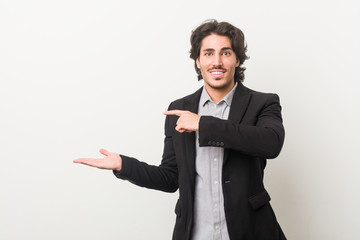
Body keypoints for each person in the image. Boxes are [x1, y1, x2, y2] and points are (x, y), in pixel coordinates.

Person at [74, 19, 286, 240]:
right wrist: (123, 165)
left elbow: (270, 143)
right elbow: (170, 178)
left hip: (252, 231)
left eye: (225, 53)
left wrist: (203, 125)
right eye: (208, 53)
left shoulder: (263, 102)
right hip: (194, 233)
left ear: (237, 59)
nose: (216, 61)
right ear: (197, 61)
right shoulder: (179, 110)